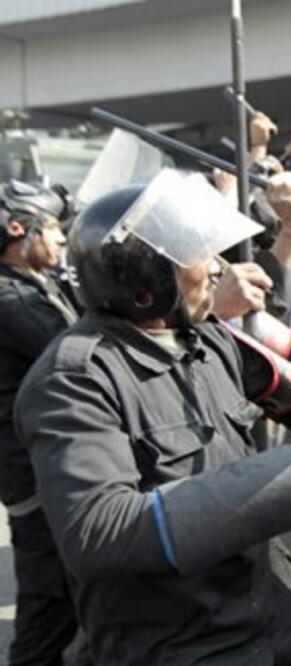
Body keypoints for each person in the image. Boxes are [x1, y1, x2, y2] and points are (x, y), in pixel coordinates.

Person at [13, 175, 291, 665]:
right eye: (197, 255)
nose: (217, 268)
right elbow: (100, 531)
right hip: (171, 639)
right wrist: (289, 477)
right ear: (148, 282)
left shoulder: (208, 339)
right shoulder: (74, 379)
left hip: (260, 605)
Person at [0, 179, 82, 665]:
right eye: (51, 228)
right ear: (18, 230)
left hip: (39, 466)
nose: (60, 238)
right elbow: (75, 353)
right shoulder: (13, 299)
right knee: (48, 604)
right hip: (32, 474)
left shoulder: (32, 286)